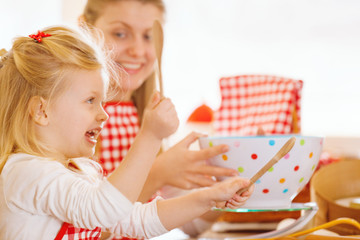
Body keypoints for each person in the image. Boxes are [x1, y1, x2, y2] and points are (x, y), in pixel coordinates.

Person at [0, 26, 253, 240]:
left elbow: (133, 220)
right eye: (90, 100)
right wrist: (150, 137)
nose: (104, 114)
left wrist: (208, 198)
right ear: (41, 111)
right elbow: (104, 210)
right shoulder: (25, 172)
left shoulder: (79, 170)